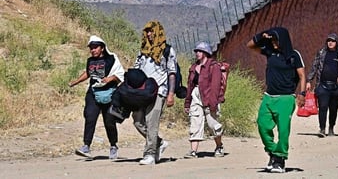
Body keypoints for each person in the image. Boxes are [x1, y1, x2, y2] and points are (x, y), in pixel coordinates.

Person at [247, 27, 305, 173]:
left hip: (286, 97)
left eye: (275, 40)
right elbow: (250, 45)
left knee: (283, 130)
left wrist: (302, 93)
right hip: (269, 96)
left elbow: (302, 75)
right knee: (262, 124)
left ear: (283, 40)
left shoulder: (293, 55)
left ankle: (279, 160)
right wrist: (262, 35)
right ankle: (274, 153)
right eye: (272, 40)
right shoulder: (269, 51)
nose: (273, 43)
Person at [69, 35, 124, 159]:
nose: (93, 50)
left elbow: (120, 73)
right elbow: (88, 73)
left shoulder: (112, 59)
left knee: (109, 121)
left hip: (109, 92)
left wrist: (110, 78)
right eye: (91, 48)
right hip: (93, 92)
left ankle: (113, 145)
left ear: (102, 48)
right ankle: (86, 146)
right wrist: (76, 82)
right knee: (90, 117)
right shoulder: (90, 61)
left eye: (95, 47)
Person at [132, 20, 176, 165]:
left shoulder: (167, 51)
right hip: (142, 91)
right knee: (138, 121)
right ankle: (159, 143)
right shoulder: (142, 51)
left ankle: (149, 154)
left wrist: (170, 94)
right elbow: (136, 70)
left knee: (152, 122)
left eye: (152, 31)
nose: (149, 34)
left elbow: (171, 73)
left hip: (160, 91)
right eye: (147, 31)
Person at [183, 41, 224, 159]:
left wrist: (213, 103)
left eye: (200, 51)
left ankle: (219, 146)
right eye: (196, 51)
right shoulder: (193, 67)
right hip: (196, 95)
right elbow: (190, 86)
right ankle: (193, 151)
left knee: (213, 124)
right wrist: (187, 102)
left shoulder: (213, 66)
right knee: (195, 122)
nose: (197, 53)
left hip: (210, 96)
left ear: (206, 53)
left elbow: (216, 86)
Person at [306, 33, 338, 137]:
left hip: (335, 87)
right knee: (323, 107)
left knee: (333, 108)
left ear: (336, 42)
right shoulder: (321, 53)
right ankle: (322, 128)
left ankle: (331, 128)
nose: (330, 42)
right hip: (322, 85)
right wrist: (309, 80)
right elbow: (314, 67)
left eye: (333, 41)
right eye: (329, 40)